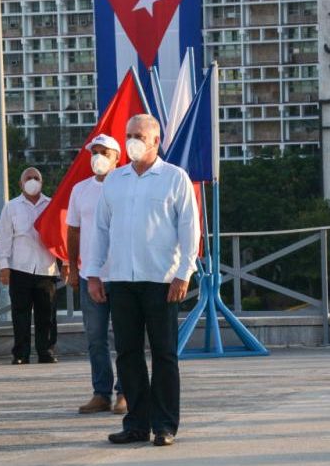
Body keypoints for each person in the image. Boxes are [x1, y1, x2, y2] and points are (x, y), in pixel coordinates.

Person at [85, 114, 200, 447]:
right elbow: (101, 230)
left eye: (138, 135)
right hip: (121, 279)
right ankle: (136, 424)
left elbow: (188, 230)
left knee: (164, 355)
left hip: (162, 280)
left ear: (155, 140)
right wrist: (94, 273)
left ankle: (164, 425)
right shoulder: (115, 180)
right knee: (128, 354)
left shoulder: (175, 178)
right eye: (128, 134)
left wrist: (184, 273)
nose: (132, 140)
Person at [65, 134, 126, 415]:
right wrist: (73, 268)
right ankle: (101, 393)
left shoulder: (126, 185)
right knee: (96, 337)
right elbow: (73, 230)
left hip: (125, 273)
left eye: (104, 152)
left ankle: (125, 392)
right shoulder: (80, 190)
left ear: (117, 158)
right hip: (92, 275)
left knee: (126, 336)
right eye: (94, 152)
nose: (98, 157)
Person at [0, 167, 60, 365]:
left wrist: (66, 262)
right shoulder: (11, 207)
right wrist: (4, 266)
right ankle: (21, 353)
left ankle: (46, 351)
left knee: (47, 313)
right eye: (28, 178)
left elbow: (60, 236)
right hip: (19, 267)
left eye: (36, 178)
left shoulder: (51, 205)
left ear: (42, 182)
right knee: (20, 313)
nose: (32, 181)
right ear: (21, 184)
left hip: (45, 267)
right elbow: (5, 238)